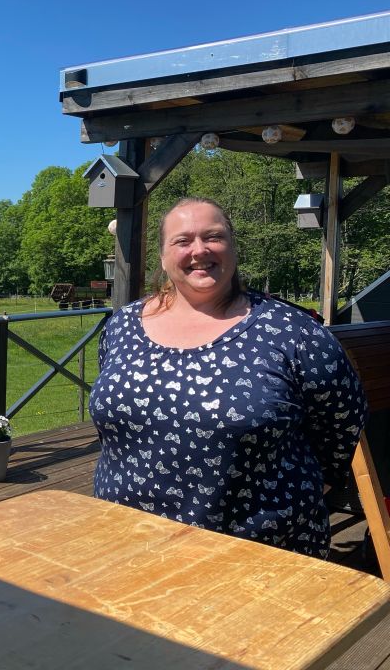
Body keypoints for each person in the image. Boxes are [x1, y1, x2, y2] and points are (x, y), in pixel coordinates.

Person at [90, 197, 367, 558]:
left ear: (233, 248)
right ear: (162, 255)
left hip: (258, 555)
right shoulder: (122, 326)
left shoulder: (294, 332)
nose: (199, 249)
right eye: (182, 240)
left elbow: (341, 425)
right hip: (127, 543)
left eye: (213, 237)